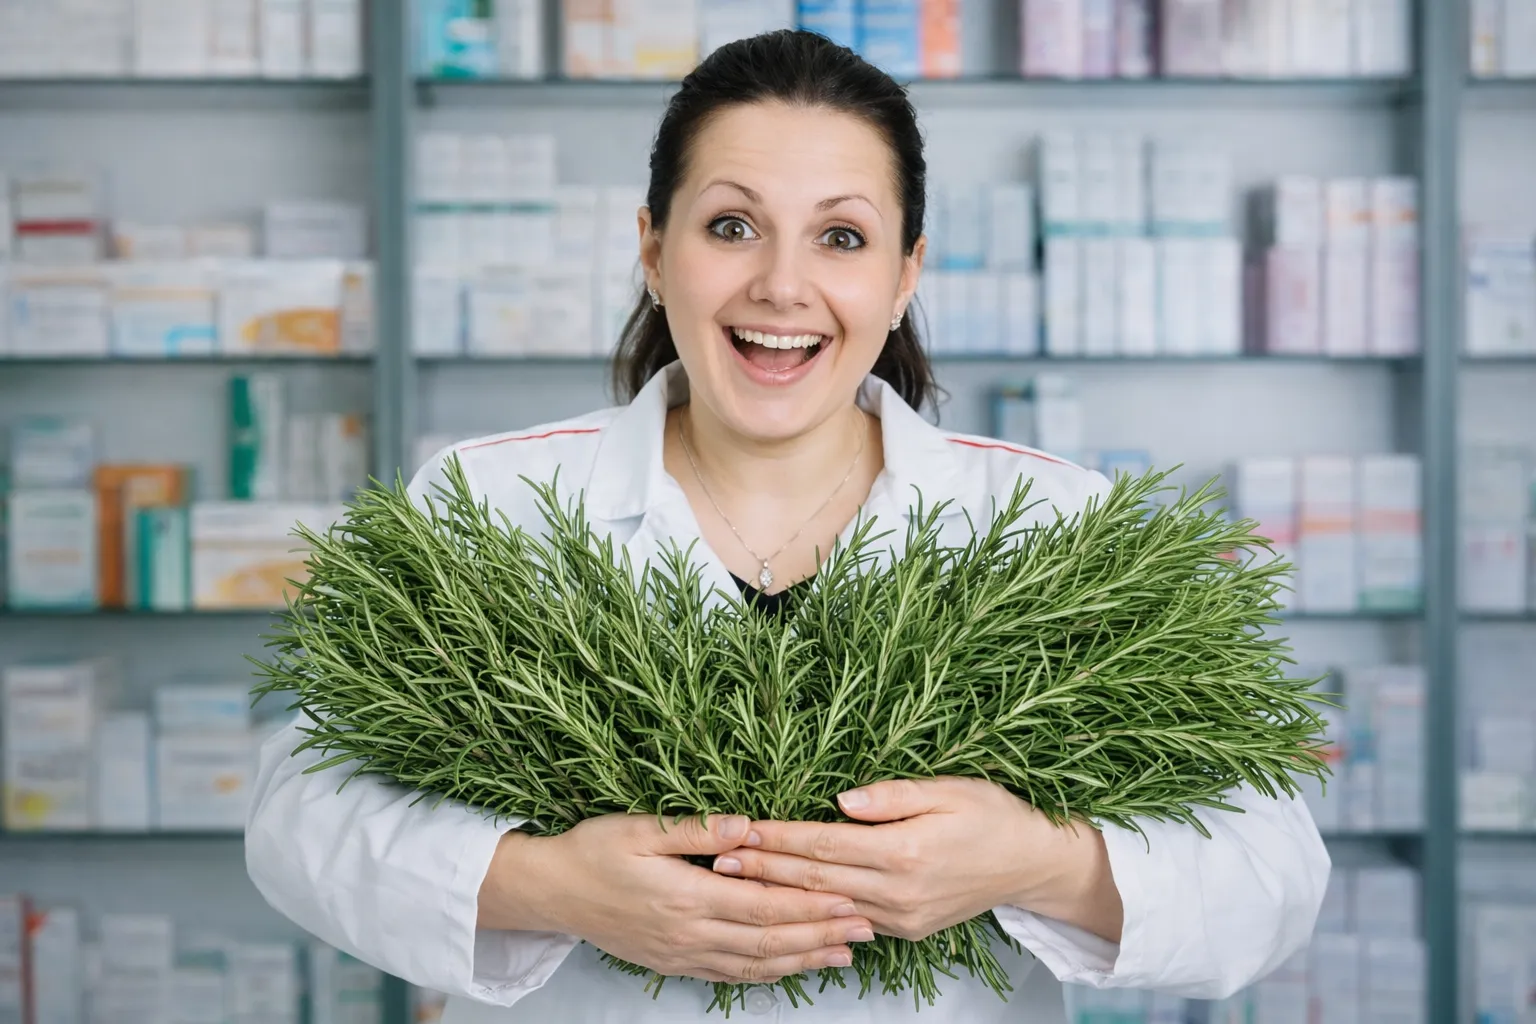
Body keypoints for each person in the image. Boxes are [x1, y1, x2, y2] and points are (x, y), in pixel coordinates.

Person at [246, 29, 1329, 1023]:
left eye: (842, 236)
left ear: (906, 273)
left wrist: (1035, 863)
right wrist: (551, 883)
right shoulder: (487, 505)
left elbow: (1270, 876)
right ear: (654, 248)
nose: (782, 284)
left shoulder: (1054, 523)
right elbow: (303, 812)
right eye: (731, 225)